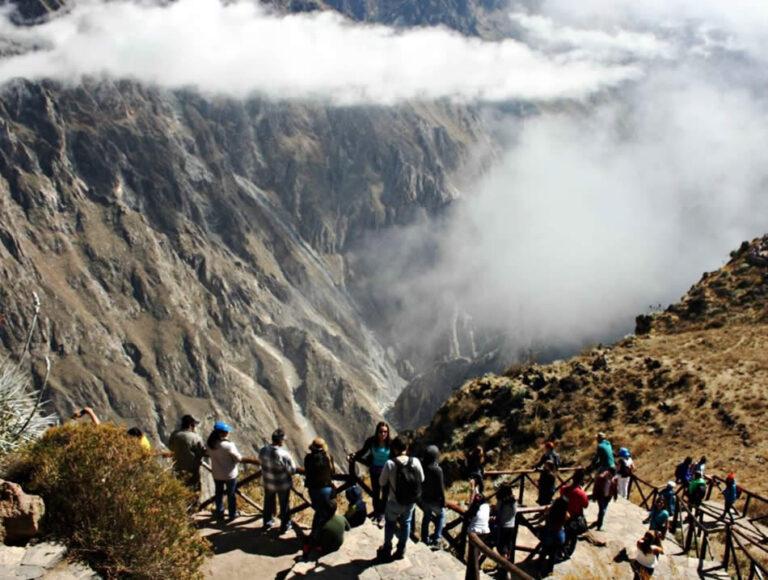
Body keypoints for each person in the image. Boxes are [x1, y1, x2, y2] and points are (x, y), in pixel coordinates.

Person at [376, 436, 424, 562]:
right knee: (406, 523)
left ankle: (387, 548)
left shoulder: (390, 464)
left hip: (394, 502)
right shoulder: (415, 462)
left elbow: (382, 482)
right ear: (406, 448)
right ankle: (401, 549)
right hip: (409, 502)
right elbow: (422, 479)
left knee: (390, 524)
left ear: (394, 449)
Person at [350, 421, 391, 525]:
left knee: (385, 494)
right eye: (381, 431)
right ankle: (377, 513)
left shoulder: (390, 443)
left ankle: (383, 515)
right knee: (376, 493)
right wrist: (352, 455)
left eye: (385, 432)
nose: (383, 434)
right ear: (377, 431)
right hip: (375, 471)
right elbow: (363, 451)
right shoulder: (371, 441)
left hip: (387, 472)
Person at [259, 428, 297, 533]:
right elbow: (292, 470)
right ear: (281, 441)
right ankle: (285, 525)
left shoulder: (263, 450)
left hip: (268, 482)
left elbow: (261, 462)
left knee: (268, 503)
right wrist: (291, 458)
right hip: (282, 484)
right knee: (284, 505)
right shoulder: (284, 454)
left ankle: (267, 522)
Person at [207, 421, 242, 521]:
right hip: (229, 474)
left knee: (219, 493)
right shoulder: (228, 445)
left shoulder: (210, 444)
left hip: (217, 473)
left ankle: (220, 512)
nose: (228, 433)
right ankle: (232, 514)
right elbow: (238, 458)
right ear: (221, 433)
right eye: (226, 431)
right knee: (231, 495)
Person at [304, 438, 335, 538]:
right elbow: (332, 472)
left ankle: (315, 533)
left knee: (319, 511)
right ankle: (323, 534)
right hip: (326, 489)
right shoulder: (328, 457)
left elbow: (307, 471)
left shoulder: (308, 458)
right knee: (326, 512)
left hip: (313, 490)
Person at [168, 414, 206, 491]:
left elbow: (171, 447)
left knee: (180, 489)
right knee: (193, 490)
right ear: (190, 425)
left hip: (178, 468)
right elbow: (202, 451)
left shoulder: (175, 435)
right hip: (192, 469)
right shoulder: (195, 438)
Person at [419, 445, 446, 548]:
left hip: (425, 498)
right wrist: (443, 501)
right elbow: (440, 487)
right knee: (441, 516)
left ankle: (424, 538)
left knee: (426, 517)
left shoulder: (423, 466)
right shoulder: (437, 470)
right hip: (435, 500)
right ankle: (437, 540)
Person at [561, 468, 589, 557]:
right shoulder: (581, 494)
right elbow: (585, 505)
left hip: (564, 515)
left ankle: (561, 549)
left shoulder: (564, 489)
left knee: (565, 532)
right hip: (575, 517)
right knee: (573, 537)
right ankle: (568, 552)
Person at [539, 496, 569, 575]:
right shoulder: (565, 514)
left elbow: (545, 514)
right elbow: (567, 518)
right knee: (552, 553)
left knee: (545, 549)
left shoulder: (551, 510)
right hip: (559, 536)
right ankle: (549, 570)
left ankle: (539, 564)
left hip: (549, 534)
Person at [495, 483, 518, 561]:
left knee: (502, 548)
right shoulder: (514, 501)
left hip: (503, 526)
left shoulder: (501, 501)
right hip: (512, 526)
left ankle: (504, 567)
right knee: (508, 547)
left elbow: (496, 509)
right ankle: (507, 565)